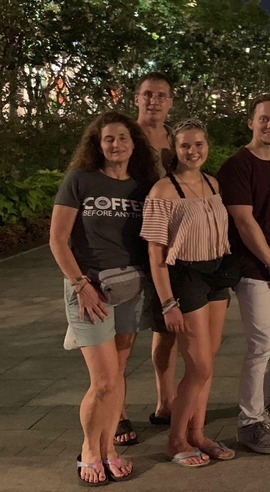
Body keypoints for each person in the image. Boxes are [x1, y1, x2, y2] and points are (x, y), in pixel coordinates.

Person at [49, 111, 158, 484]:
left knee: (118, 374)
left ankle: (109, 447)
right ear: (97, 144)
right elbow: (58, 240)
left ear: (134, 143)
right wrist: (80, 284)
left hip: (131, 288)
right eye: (108, 139)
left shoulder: (143, 185)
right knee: (104, 381)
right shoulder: (80, 180)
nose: (116, 145)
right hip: (89, 289)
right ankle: (89, 450)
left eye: (122, 138)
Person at [140, 119, 235, 467]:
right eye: (185, 146)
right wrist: (168, 303)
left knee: (208, 362)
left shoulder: (212, 183)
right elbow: (155, 251)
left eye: (199, 144)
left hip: (216, 274)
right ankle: (175, 439)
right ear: (174, 150)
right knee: (200, 366)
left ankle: (197, 432)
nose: (193, 151)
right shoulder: (163, 191)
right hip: (185, 278)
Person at [218, 94, 270, 455]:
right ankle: (249, 422)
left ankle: (266, 406)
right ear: (251, 121)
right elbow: (243, 219)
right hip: (252, 268)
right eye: (264, 119)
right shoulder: (236, 166)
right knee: (261, 344)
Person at [133, 72, 179, 433]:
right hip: (129, 239)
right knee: (122, 333)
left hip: (166, 240)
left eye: (161, 96)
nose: (154, 101)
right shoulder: (125, 138)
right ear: (137, 98)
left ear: (170, 102)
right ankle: (115, 410)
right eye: (147, 94)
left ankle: (166, 402)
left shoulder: (173, 139)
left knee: (167, 326)